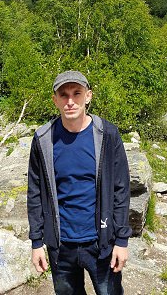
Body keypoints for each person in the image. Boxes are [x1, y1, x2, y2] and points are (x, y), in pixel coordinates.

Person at [27, 70, 131, 295]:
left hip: (101, 242)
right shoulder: (43, 139)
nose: (70, 101)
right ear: (55, 100)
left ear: (88, 96)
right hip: (61, 246)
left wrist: (122, 240)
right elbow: (34, 192)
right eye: (63, 95)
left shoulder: (107, 135)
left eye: (77, 93)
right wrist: (36, 242)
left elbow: (121, 189)